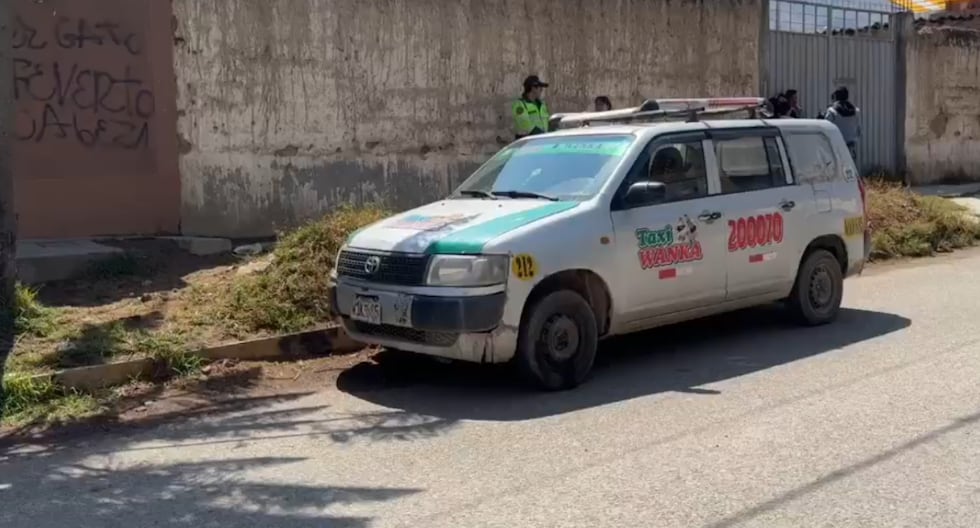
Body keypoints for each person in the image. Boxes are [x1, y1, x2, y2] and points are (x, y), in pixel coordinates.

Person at [824, 86, 861, 161]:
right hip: (850, 147)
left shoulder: (832, 111)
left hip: (836, 147)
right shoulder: (856, 111)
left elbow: (825, 128)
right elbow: (859, 131)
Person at [512, 75, 551, 139]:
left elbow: (546, 122)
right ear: (533, 88)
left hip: (541, 139)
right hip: (527, 141)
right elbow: (524, 123)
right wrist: (541, 134)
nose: (541, 90)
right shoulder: (520, 105)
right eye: (539, 87)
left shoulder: (541, 105)